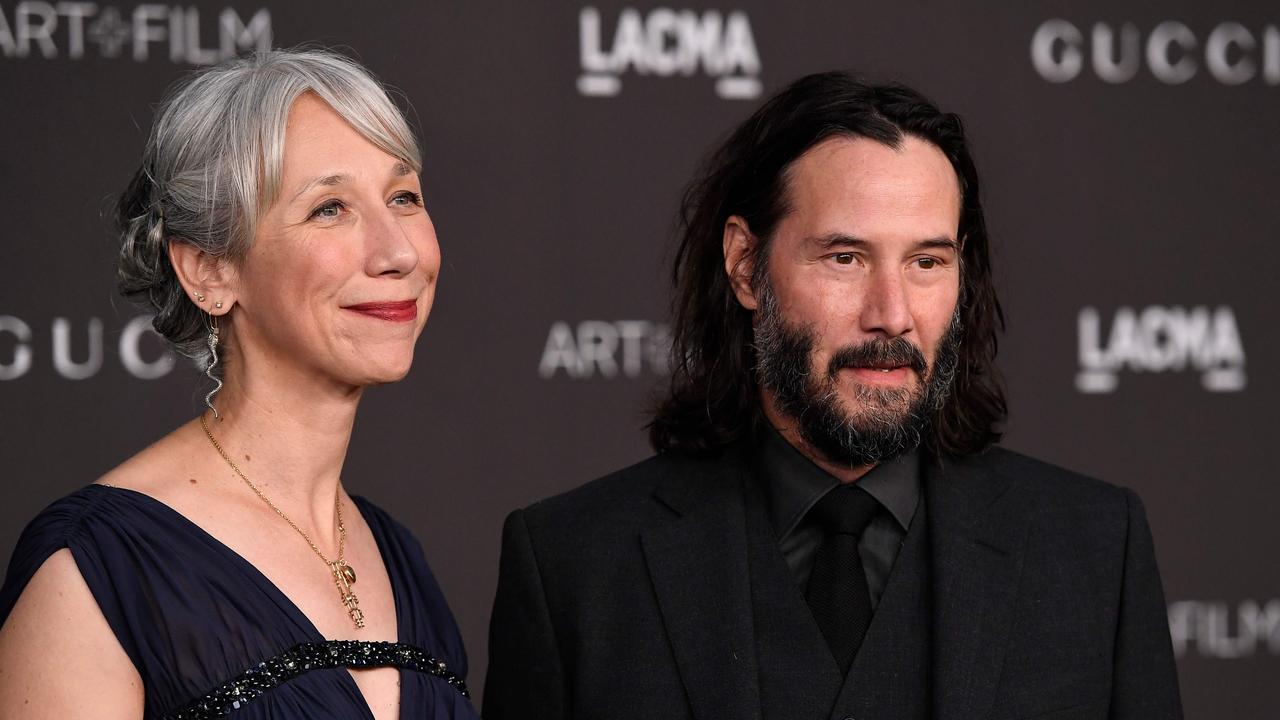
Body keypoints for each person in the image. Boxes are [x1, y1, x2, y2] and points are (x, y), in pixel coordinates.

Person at [484, 72, 1183, 719]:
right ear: (746, 267)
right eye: (845, 257)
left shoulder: (1094, 550)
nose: (892, 313)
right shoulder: (574, 566)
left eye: (927, 262)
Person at [0, 49, 476, 719]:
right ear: (209, 272)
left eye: (403, 197)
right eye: (330, 208)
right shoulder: (98, 565)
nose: (397, 252)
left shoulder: (398, 555)